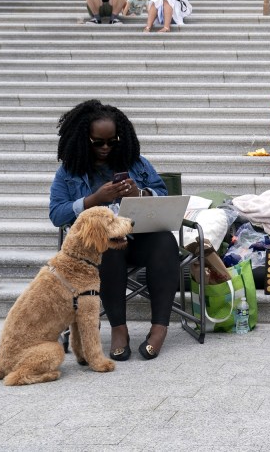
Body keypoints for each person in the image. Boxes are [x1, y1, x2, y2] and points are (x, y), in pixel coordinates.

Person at [48, 100, 179, 362]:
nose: (106, 148)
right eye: (98, 142)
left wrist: (140, 193)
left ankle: (159, 328)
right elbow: (56, 214)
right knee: (107, 247)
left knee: (165, 240)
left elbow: (163, 194)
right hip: (99, 249)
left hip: (139, 238)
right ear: (85, 139)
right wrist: (93, 199)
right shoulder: (69, 171)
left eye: (112, 141)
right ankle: (119, 329)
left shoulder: (137, 163)